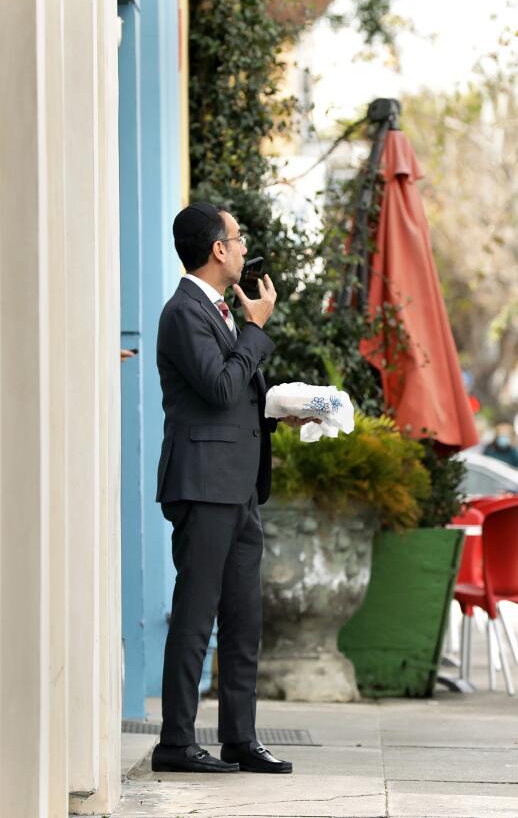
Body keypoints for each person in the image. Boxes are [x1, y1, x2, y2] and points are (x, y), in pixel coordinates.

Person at [151, 202, 295, 774]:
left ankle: (240, 738)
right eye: (237, 239)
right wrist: (256, 330)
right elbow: (216, 386)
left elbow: (236, 394)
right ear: (216, 249)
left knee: (243, 620)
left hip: (238, 487)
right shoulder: (183, 312)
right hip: (204, 484)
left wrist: (281, 410)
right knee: (195, 616)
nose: (241, 248)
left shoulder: (219, 310)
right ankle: (176, 742)